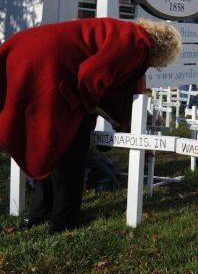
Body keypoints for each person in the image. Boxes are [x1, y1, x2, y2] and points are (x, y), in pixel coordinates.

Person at [0, 18, 182, 234]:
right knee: (72, 147)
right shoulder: (136, 44)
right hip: (46, 66)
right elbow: (91, 76)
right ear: (160, 52)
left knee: (51, 145)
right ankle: (63, 221)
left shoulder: (126, 33)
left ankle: (39, 214)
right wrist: (87, 107)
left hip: (25, 57)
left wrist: (132, 120)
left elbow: (126, 87)